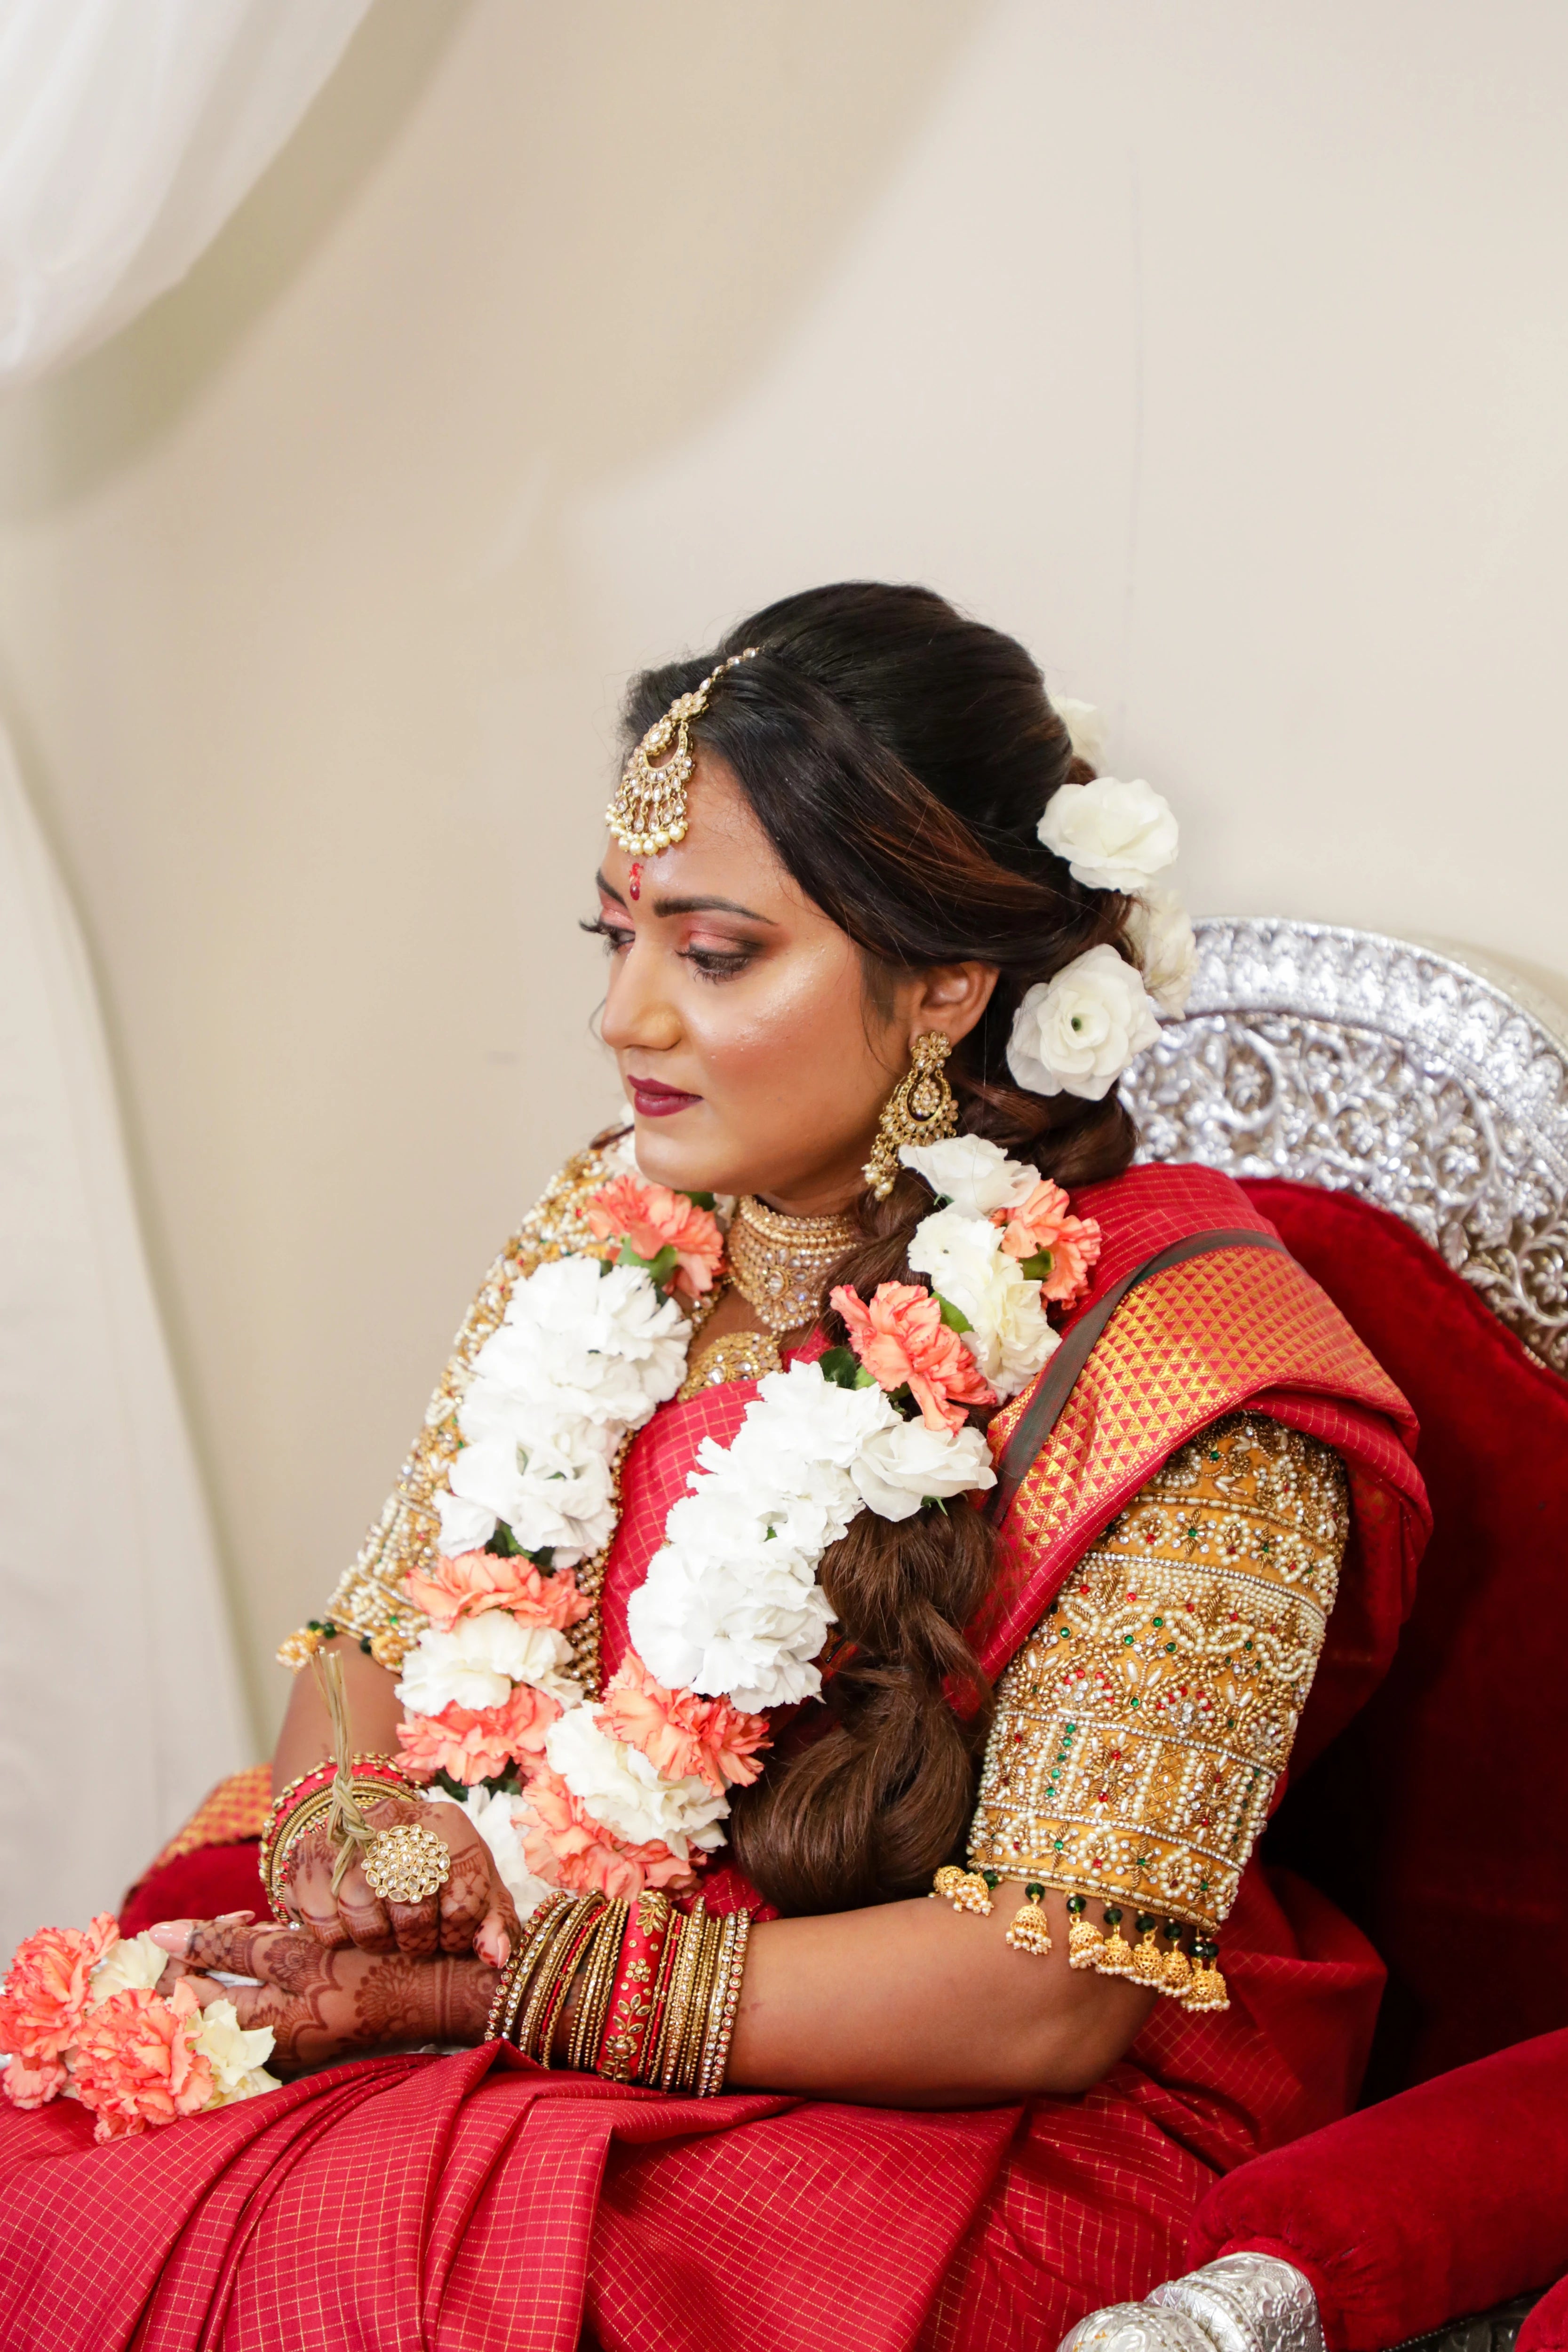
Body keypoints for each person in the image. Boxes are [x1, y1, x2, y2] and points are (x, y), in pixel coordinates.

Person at [0, 583, 1427, 2351]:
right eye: (612, 938)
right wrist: (366, 1851)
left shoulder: (1193, 1372)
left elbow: (1047, 1998)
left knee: (433, 2292)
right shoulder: (614, 1231)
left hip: (969, 2100)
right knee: (60, 2149)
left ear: (947, 984)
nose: (625, 1018)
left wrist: (501, 1983)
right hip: (537, 1967)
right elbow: (381, 1632)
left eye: (714, 951)